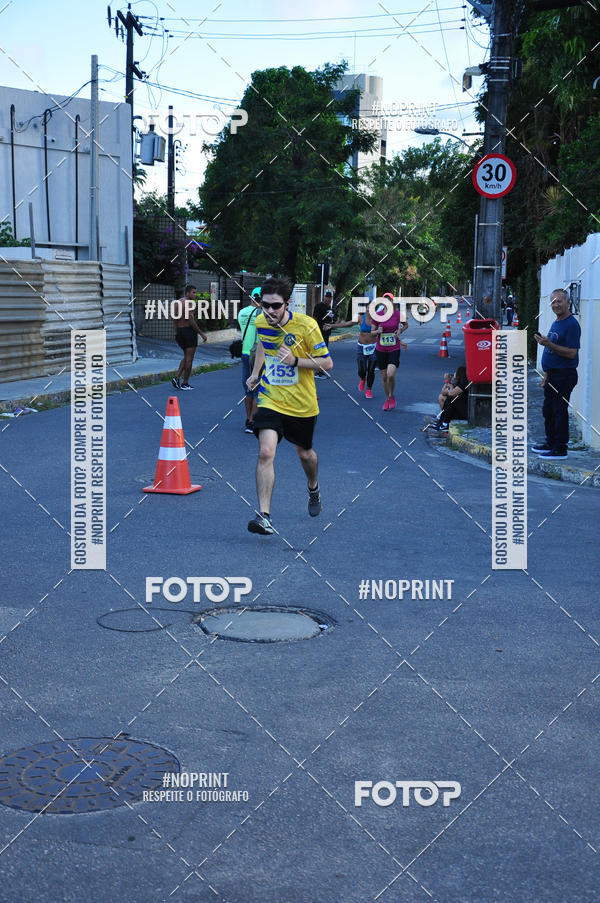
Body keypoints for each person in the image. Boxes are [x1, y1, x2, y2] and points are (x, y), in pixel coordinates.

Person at [246, 276, 333, 535]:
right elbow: (264, 345)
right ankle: (264, 516)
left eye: (276, 306)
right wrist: (255, 372)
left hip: (302, 404)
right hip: (271, 397)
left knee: (305, 454)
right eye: (265, 305)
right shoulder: (261, 321)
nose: (270, 311)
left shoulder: (306, 326)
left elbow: (327, 364)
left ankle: (313, 487)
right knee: (265, 452)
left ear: (287, 304)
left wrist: (295, 361)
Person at [532, 287, 581, 460]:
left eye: (560, 301)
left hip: (564, 375)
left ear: (568, 302)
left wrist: (548, 344)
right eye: (553, 302)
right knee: (549, 410)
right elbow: (552, 353)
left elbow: (572, 353)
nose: (556, 305)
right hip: (553, 375)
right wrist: (546, 375)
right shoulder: (557, 322)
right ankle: (550, 442)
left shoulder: (571, 324)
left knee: (559, 410)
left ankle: (560, 448)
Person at [372, 293, 408, 411]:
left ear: (392, 302)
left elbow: (406, 325)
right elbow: (372, 332)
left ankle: (392, 395)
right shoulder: (377, 315)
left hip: (394, 348)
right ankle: (387, 398)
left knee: (391, 374)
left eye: (390, 300)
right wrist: (377, 331)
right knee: (384, 377)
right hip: (380, 349)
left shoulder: (397, 314)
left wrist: (400, 330)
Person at [172, 285, 207, 390]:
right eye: (193, 292)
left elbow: (174, 318)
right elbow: (191, 321)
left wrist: (176, 332)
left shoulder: (178, 302)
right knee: (189, 359)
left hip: (180, 331)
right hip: (188, 331)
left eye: (195, 292)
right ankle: (185, 383)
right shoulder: (190, 304)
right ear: (187, 293)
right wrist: (201, 333)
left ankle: (176, 378)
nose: (195, 295)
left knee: (186, 356)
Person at [238, 287, 262, 432]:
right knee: (257, 389)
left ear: (251, 297)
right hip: (258, 354)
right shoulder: (263, 315)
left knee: (248, 388)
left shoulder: (242, 313)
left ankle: (248, 419)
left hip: (245, 353)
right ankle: (253, 421)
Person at [432, 366, 469, 431]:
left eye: (456, 372)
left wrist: (450, 386)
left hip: (464, 411)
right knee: (442, 397)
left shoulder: (464, 383)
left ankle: (445, 423)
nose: (454, 373)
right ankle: (443, 420)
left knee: (450, 399)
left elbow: (451, 393)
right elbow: (443, 392)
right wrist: (447, 381)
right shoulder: (457, 383)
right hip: (458, 407)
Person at [312, 290, 335, 376]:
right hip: (320, 332)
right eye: (327, 297)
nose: (328, 299)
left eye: (330, 297)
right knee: (320, 352)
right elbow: (314, 319)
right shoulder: (319, 306)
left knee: (324, 352)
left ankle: (321, 369)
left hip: (327, 332)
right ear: (324, 297)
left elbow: (331, 318)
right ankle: (318, 371)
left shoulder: (330, 308)